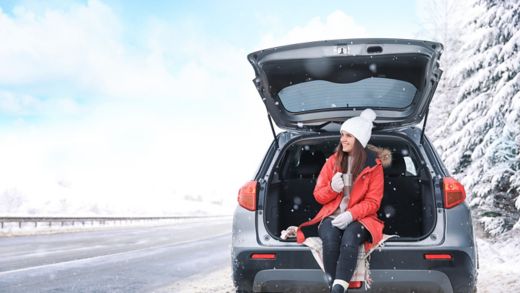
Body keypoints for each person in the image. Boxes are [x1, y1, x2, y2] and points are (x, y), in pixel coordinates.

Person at [295, 108, 389, 293]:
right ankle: (336, 287)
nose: (342, 139)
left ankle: (338, 288)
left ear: (359, 140)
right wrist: (332, 188)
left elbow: (373, 202)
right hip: (331, 216)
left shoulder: (374, 167)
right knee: (329, 239)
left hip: (361, 218)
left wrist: (351, 214)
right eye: (342, 135)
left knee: (350, 237)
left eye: (348, 136)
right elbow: (318, 195)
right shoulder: (332, 162)